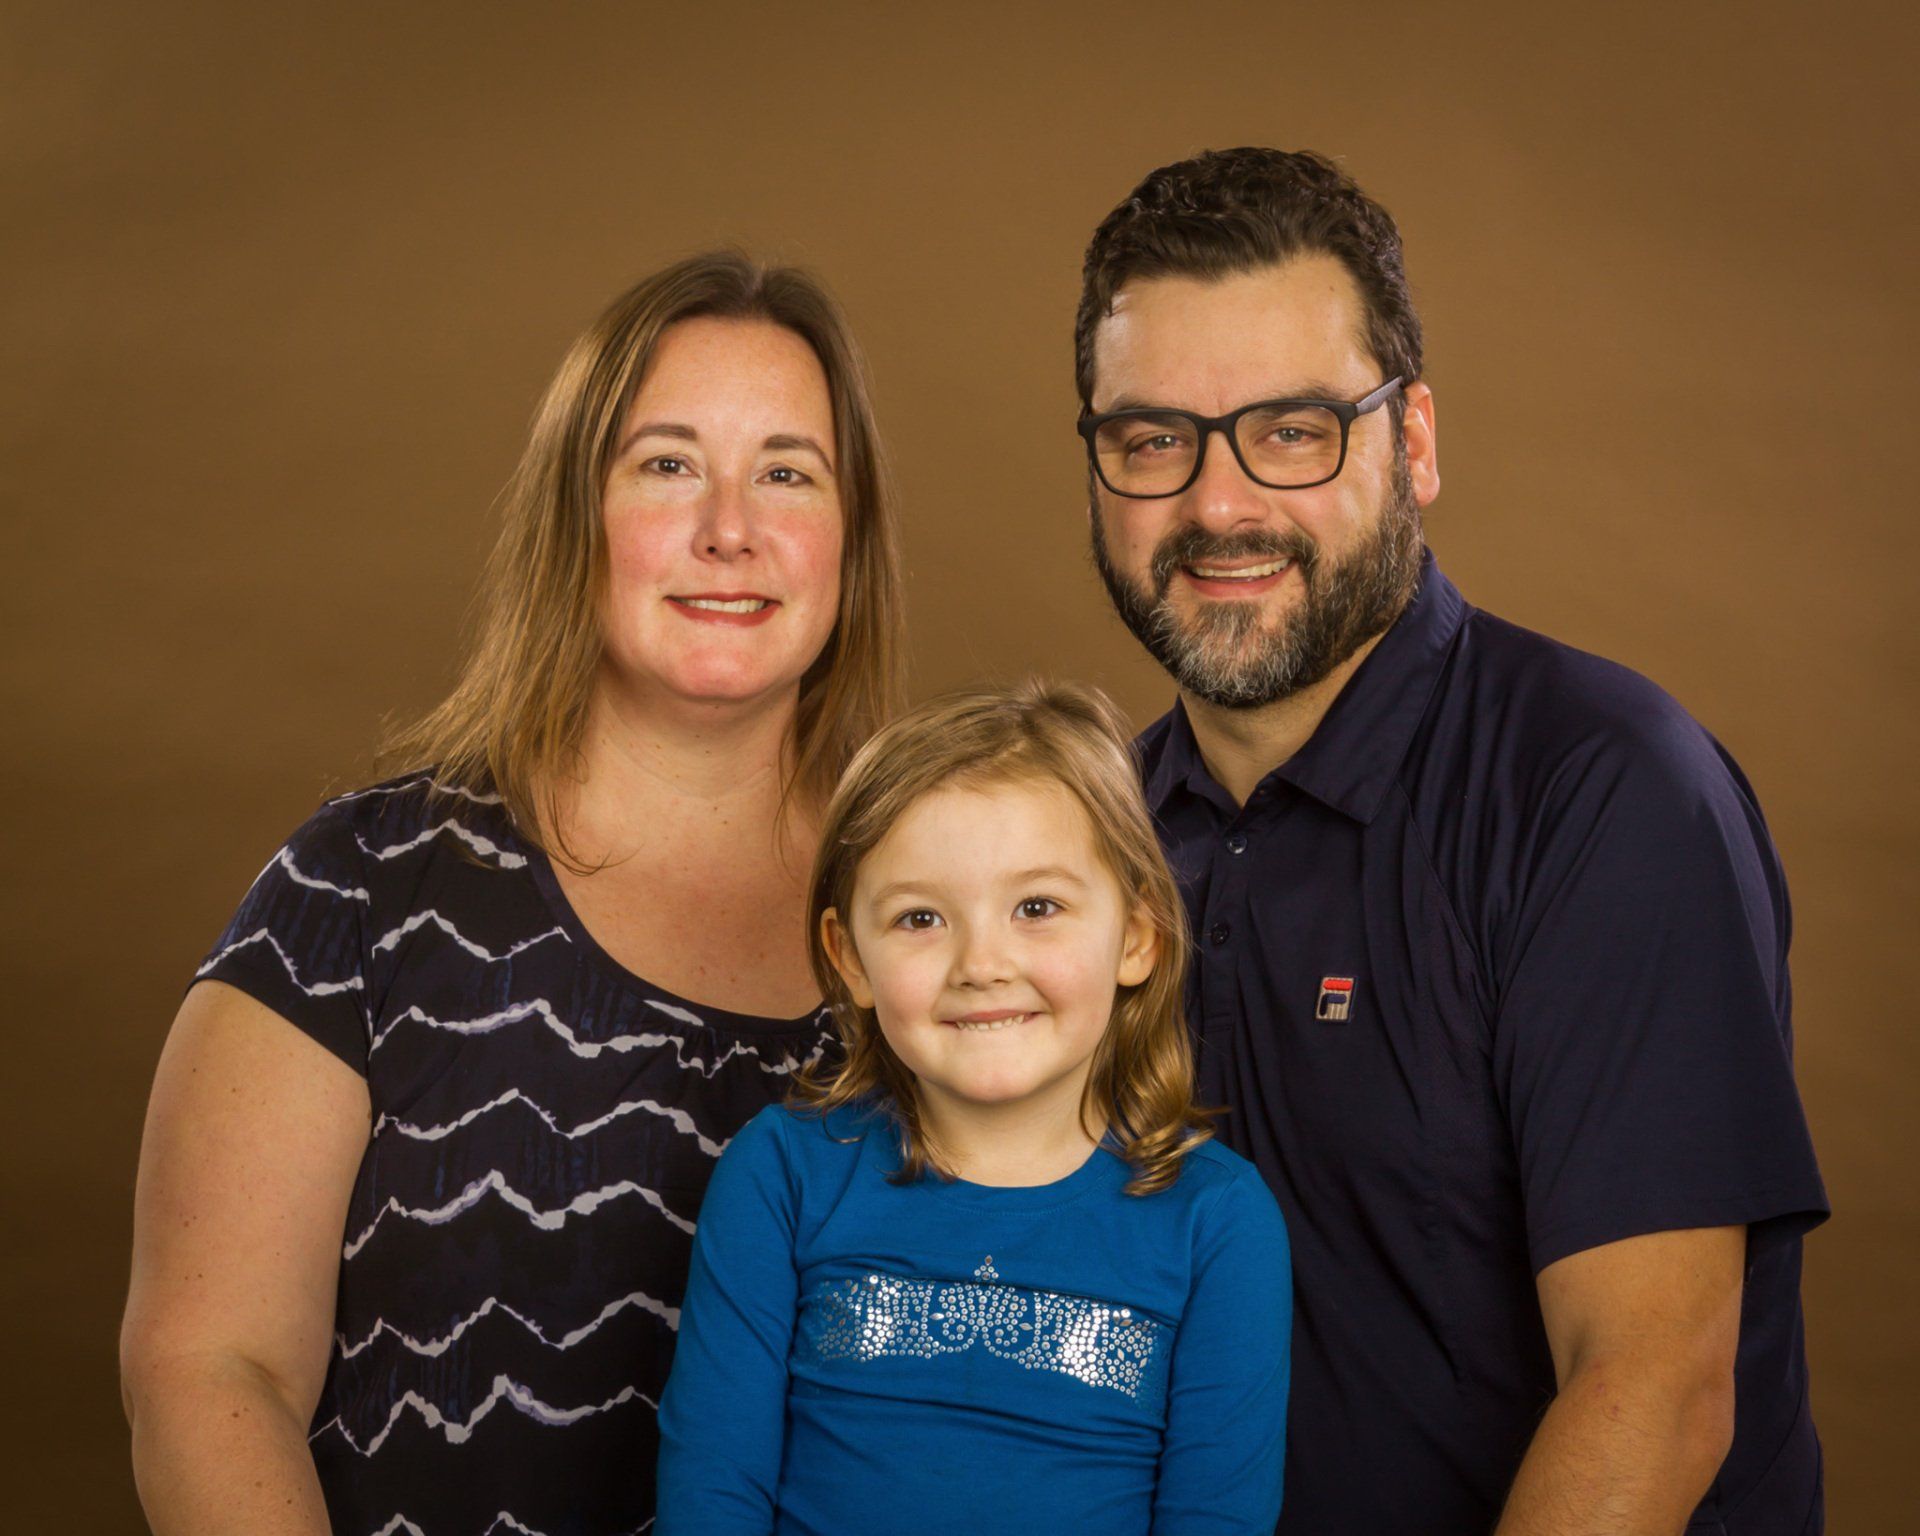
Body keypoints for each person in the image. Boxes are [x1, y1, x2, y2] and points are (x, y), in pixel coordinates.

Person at [1073, 149, 1829, 1534]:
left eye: (1293, 429)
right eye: (1151, 438)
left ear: (1412, 441)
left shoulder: (1601, 793)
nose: (1218, 504)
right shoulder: (1088, 849)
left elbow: (1654, 1387)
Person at [120, 251, 903, 1536]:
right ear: (571, 514)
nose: (731, 528)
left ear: (849, 536)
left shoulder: (951, 916)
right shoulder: (362, 890)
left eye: (787, 471)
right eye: (665, 464)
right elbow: (210, 1372)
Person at [655, 681, 1292, 1535]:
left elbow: (1217, 1517)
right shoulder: (780, 1176)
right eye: (921, 917)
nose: (981, 964)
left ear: (1136, 936)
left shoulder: (1217, 1220)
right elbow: (711, 1496)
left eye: (1037, 907)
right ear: (849, 959)